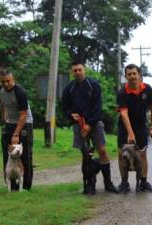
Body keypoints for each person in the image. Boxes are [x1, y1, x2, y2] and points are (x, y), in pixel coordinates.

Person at [61, 60, 118, 194]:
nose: (77, 73)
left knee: (102, 150)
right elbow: (64, 107)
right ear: (72, 72)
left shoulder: (93, 85)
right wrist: (71, 115)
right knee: (85, 154)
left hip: (95, 122)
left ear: (84, 70)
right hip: (78, 125)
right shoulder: (69, 88)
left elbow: (98, 107)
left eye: (79, 70)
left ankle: (108, 182)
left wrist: (90, 124)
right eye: (74, 70)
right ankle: (89, 184)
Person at [117, 63, 152, 193]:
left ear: (139, 74)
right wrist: (130, 133)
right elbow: (123, 113)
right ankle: (124, 183)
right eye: (129, 74)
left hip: (141, 126)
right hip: (124, 126)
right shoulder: (122, 92)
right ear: (126, 76)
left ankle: (143, 182)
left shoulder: (147, 89)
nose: (132, 76)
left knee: (143, 154)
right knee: (121, 154)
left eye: (134, 73)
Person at [0, 70, 34, 191]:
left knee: (24, 155)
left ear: (13, 80)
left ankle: (26, 186)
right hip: (10, 123)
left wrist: (16, 133)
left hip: (25, 123)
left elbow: (23, 115)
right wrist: (4, 119)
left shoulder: (20, 92)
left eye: (8, 81)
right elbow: (2, 104)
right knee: (8, 153)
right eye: (3, 81)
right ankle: (11, 186)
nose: (6, 84)